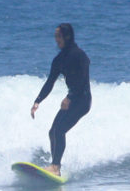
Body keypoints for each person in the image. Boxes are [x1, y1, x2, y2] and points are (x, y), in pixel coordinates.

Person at [30, 23, 91, 177]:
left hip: (82, 100)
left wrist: (70, 97)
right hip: (73, 99)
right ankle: (55, 167)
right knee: (53, 132)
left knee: (59, 130)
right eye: (55, 36)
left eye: (58, 36)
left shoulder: (79, 55)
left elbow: (83, 80)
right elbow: (50, 82)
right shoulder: (59, 59)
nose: (56, 39)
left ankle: (55, 167)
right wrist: (38, 101)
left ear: (67, 36)